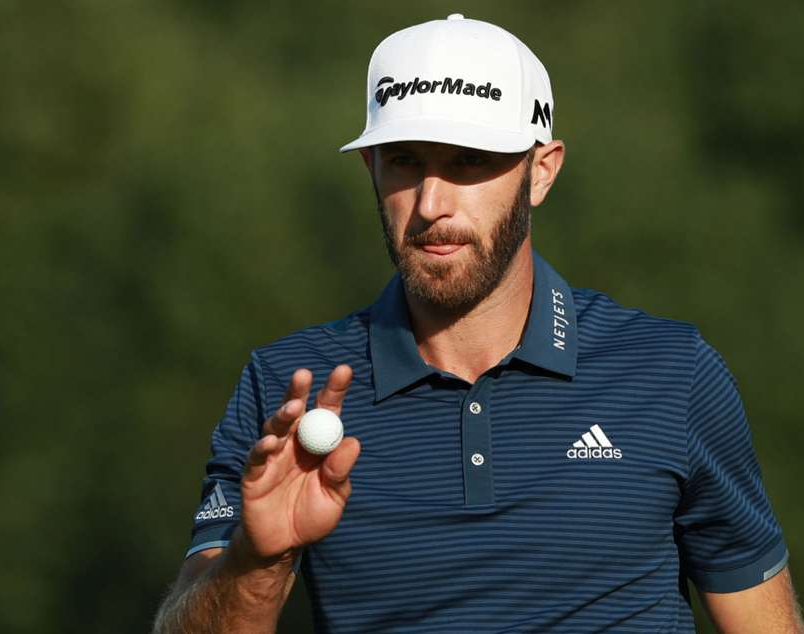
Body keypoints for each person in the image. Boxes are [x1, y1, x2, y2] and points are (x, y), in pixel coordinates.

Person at [154, 14, 802, 633]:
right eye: (404, 161)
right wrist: (257, 561)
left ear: (540, 172)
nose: (431, 204)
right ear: (370, 169)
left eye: (468, 161)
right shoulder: (287, 391)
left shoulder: (671, 372)